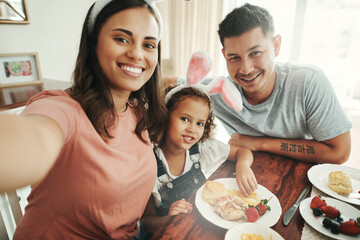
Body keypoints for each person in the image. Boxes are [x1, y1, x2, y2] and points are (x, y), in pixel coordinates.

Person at [0, 0, 167, 239]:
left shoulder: (137, 109)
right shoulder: (64, 108)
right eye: (122, 39)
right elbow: (33, 138)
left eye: (149, 44)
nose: (137, 54)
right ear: (93, 42)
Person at [167, 3, 352, 164]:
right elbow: (170, 83)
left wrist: (258, 142)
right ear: (224, 56)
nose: (246, 69)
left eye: (255, 53)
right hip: (248, 172)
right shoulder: (214, 90)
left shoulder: (309, 81)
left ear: (276, 46)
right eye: (234, 58)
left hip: (301, 176)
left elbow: (340, 152)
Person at [139, 84, 257, 238]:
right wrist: (168, 218)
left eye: (199, 123)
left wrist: (243, 166)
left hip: (196, 228)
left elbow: (243, 152)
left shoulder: (201, 149)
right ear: (165, 117)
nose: (192, 129)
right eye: (185, 119)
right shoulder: (149, 164)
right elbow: (146, 222)